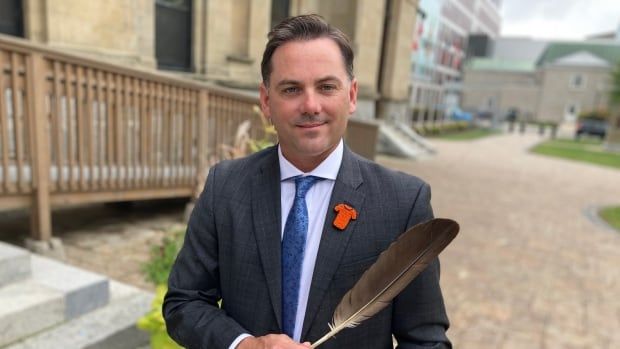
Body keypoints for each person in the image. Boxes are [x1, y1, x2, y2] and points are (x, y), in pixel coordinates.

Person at [163, 14, 451, 349]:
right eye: (291, 89)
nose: (311, 105)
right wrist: (245, 345)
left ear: (352, 95)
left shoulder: (402, 202)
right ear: (267, 101)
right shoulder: (225, 187)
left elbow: (426, 341)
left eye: (327, 87)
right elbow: (183, 303)